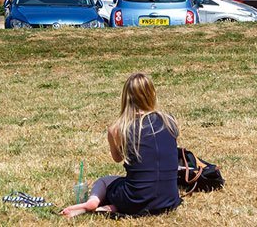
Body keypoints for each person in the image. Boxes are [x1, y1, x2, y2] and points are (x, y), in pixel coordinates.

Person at [61, 72, 181, 218]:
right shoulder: (169, 121)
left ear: (125, 97)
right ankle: (114, 207)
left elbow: (117, 158)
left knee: (104, 181)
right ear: (152, 94)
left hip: (135, 198)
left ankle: (92, 202)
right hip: (168, 199)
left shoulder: (118, 129)